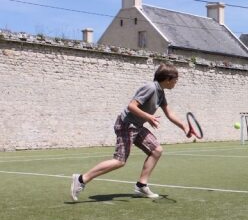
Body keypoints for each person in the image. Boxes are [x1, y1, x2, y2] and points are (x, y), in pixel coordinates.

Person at [70, 63, 189, 201]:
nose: (176, 82)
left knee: (156, 150)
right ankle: (81, 179)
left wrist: (184, 126)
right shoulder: (150, 88)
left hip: (137, 126)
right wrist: (148, 117)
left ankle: (141, 185)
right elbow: (131, 106)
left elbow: (169, 113)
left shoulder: (161, 92)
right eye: (175, 79)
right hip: (126, 125)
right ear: (168, 79)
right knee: (119, 161)